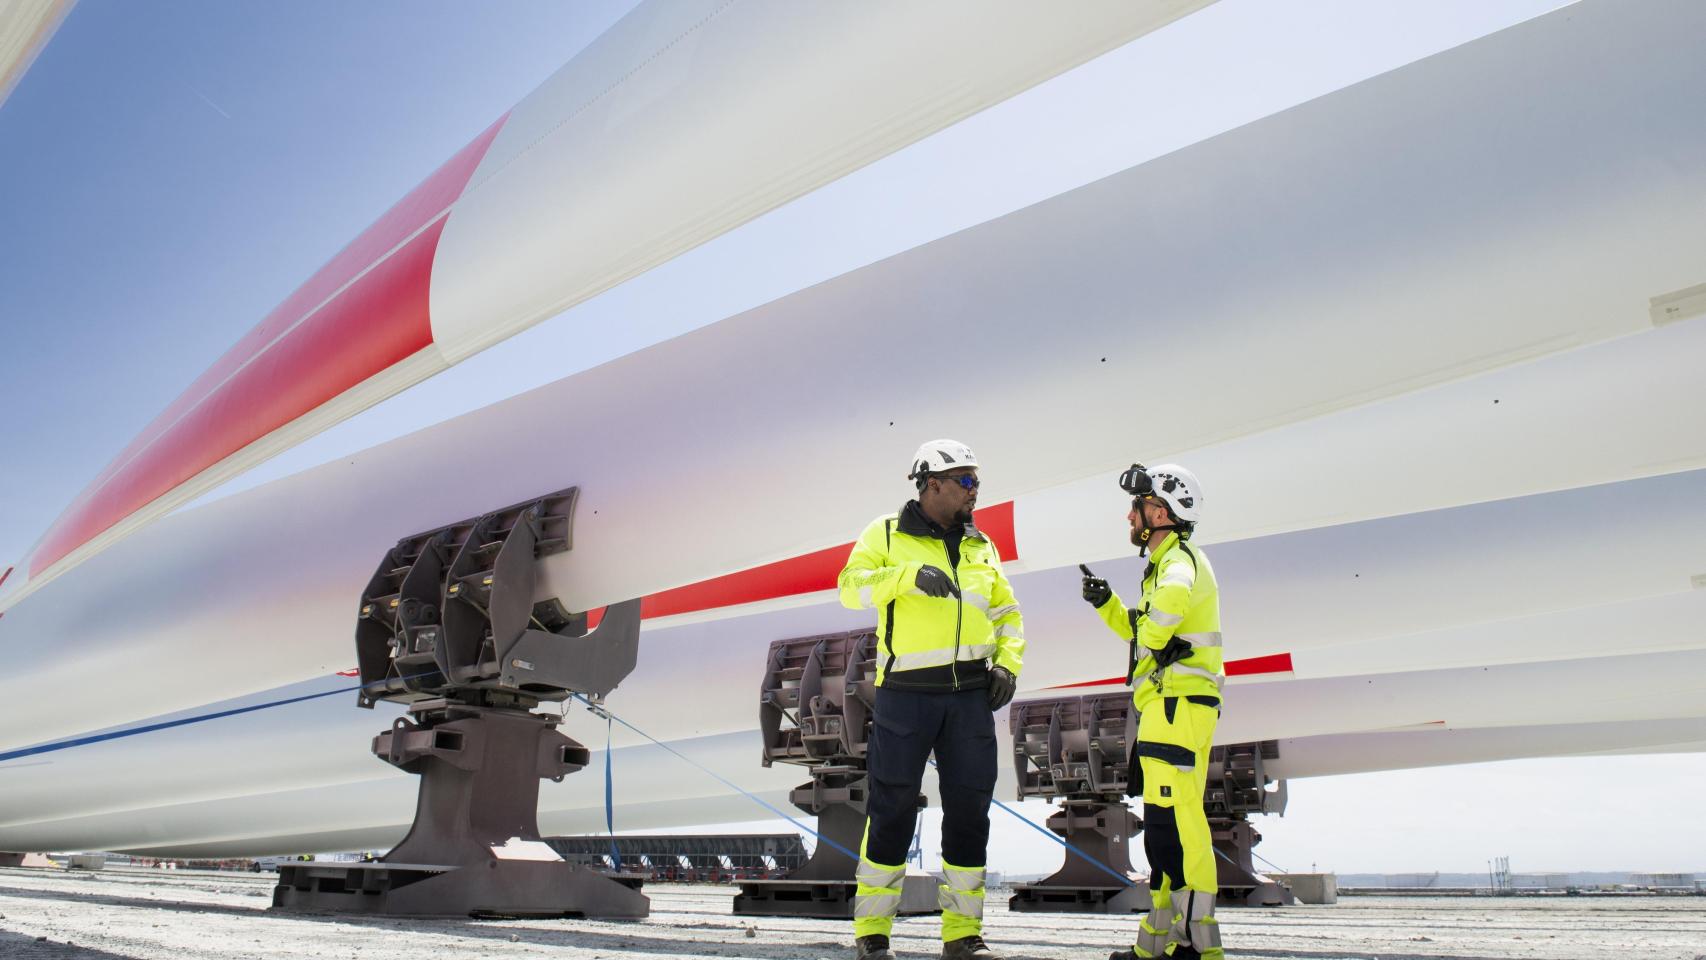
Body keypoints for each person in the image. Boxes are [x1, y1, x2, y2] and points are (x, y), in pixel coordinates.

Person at [837, 439, 1025, 960]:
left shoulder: (979, 544)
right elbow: (850, 587)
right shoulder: (887, 533)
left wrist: (1008, 664)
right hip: (906, 696)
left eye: (976, 482)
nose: (975, 491)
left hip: (969, 698)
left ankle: (962, 935)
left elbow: (1009, 613)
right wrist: (906, 577)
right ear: (932, 484)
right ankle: (872, 932)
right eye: (966, 481)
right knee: (892, 808)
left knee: (969, 813)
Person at [1080, 463, 1224, 960]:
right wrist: (1108, 606)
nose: (1129, 517)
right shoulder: (1164, 564)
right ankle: (1159, 947)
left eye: (1136, 507)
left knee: (1178, 825)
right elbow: (1145, 632)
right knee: (1164, 825)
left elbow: (1160, 623)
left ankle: (1196, 947)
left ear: (1158, 512)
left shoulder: (1178, 562)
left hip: (1176, 706)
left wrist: (1155, 632)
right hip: (1169, 707)